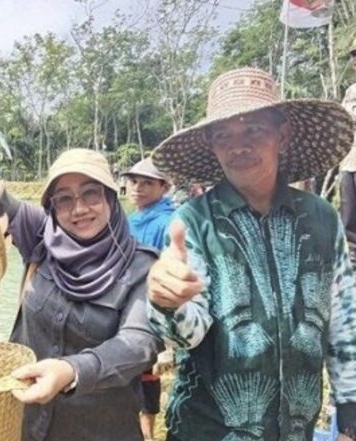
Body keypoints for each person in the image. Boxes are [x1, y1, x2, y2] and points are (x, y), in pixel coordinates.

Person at [146, 67, 356, 440]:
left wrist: (350, 414)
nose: (238, 146)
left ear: (283, 136)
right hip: (209, 429)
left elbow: (344, 323)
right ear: (212, 145)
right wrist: (167, 302)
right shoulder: (194, 221)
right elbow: (186, 337)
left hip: (296, 428)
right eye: (223, 135)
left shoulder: (322, 218)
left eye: (254, 130)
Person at [0, 135, 162, 441]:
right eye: (64, 198)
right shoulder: (42, 234)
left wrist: (72, 370)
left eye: (91, 194)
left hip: (100, 429)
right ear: (52, 206)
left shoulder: (141, 266)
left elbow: (138, 342)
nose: (78, 209)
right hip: (25, 423)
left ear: (110, 197)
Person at [122, 158, 175, 440]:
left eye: (147, 183)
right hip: (127, 305)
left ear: (164, 187)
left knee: (147, 372)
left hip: (152, 309)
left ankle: (147, 433)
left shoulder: (169, 222)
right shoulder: (130, 220)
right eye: (134, 181)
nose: (138, 188)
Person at [340, 44, 356, 266]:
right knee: (349, 210)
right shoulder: (351, 91)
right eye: (353, 57)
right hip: (349, 158)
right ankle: (352, 252)